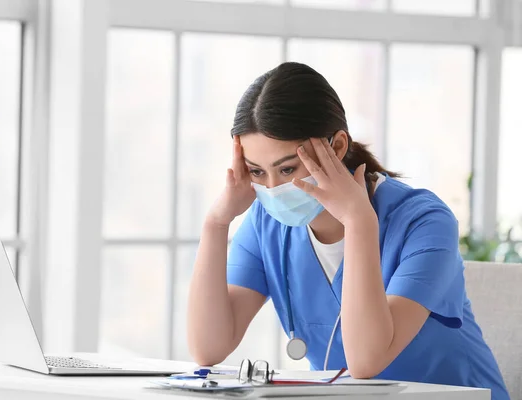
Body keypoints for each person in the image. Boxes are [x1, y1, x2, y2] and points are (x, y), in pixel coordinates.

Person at [186, 61, 509, 399]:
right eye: (256, 171)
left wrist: (358, 222)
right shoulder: (267, 224)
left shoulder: (425, 222)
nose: (272, 188)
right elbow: (209, 349)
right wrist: (216, 222)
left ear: (337, 146)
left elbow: (367, 360)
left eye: (287, 169)